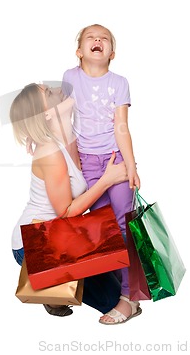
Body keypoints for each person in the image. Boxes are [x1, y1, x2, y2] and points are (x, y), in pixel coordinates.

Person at [10, 82, 133, 320]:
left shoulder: (72, 135)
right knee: (112, 299)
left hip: (62, 234)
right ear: (46, 113)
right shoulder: (49, 152)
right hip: (34, 243)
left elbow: (83, 90)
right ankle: (47, 288)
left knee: (120, 275)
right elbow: (66, 211)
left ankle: (52, 285)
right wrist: (107, 180)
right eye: (46, 92)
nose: (52, 87)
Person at [62, 24, 141, 325]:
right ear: (79, 52)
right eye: (90, 38)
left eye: (104, 38)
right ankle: (112, 292)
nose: (98, 40)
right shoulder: (71, 77)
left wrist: (131, 166)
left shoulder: (119, 82)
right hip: (88, 163)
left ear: (112, 53)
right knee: (103, 231)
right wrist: (76, 166)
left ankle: (129, 298)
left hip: (115, 160)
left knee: (123, 227)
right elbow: (66, 124)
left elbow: (121, 126)